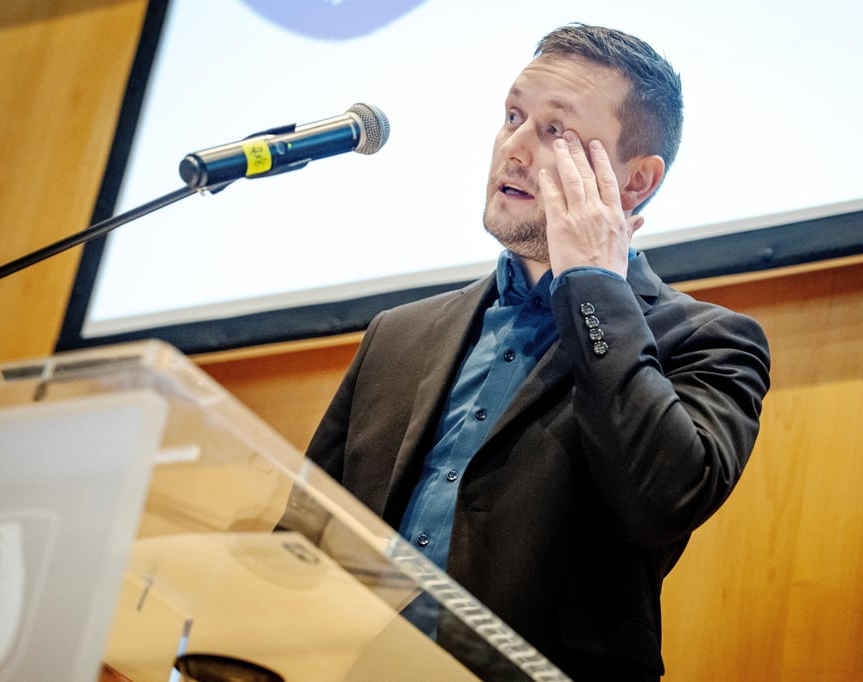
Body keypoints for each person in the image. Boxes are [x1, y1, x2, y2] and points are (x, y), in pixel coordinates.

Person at [304, 23, 770, 680]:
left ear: (635, 182)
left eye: (556, 131)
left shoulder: (707, 342)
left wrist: (594, 284)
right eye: (513, 116)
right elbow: (305, 540)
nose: (514, 148)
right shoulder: (398, 334)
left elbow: (659, 501)